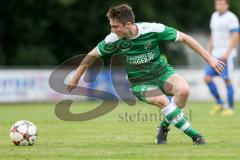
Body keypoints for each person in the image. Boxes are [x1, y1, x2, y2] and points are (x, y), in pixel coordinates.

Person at [67, 4, 225, 145]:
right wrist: (76, 77)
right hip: (140, 82)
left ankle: (163, 127)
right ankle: (196, 136)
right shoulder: (113, 39)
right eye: (111, 26)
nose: (112, 30)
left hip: (162, 72)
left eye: (115, 26)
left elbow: (184, 38)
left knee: (183, 91)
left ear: (128, 24)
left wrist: (210, 59)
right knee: (163, 101)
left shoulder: (152, 29)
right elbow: (92, 55)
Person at [204, 0, 239, 116]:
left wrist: (227, 53)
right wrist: (208, 51)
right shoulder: (214, 16)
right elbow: (213, 35)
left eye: (221, 4)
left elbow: (235, 36)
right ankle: (219, 103)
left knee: (227, 80)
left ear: (227, 5)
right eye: (217, 3)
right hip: (214, 55)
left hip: (226, 55)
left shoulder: (231, 18)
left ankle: (230, 108)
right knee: (207, 78)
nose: (219, 6)